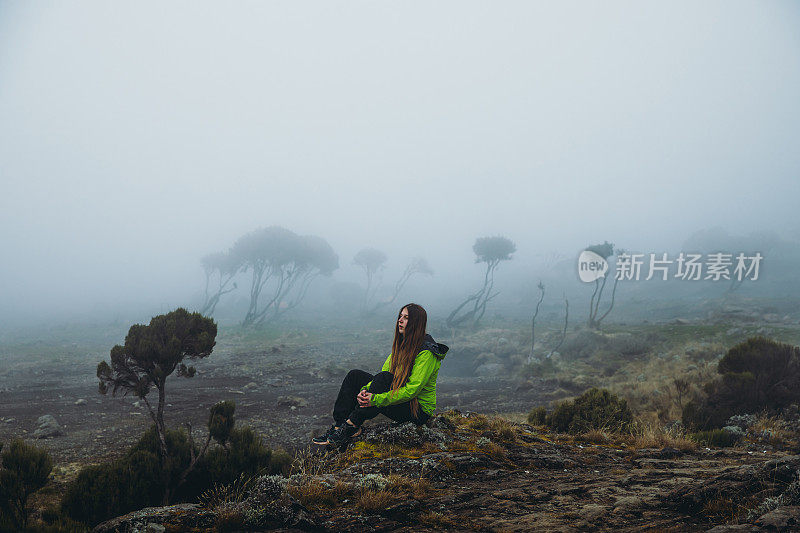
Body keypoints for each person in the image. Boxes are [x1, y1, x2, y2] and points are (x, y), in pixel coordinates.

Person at [313, 303, 449, 450]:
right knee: (355, 376)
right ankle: (339, 427)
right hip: (401, 401)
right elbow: (382, 376)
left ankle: (351, 425)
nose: (400, 320)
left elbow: (412, 390)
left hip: (417, 411)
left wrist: (375, 399)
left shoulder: (426, 353)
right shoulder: (402, 346)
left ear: (416, 323)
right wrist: (364, 391)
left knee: (384, 378)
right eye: (400, 316)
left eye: (406, 318)